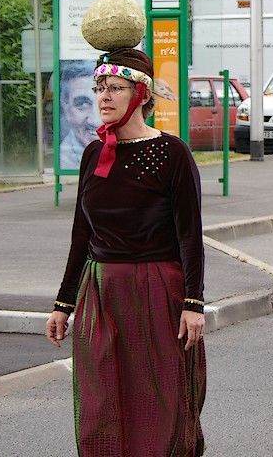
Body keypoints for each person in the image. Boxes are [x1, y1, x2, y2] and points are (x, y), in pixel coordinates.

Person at [46, 48, 206, 456]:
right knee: (100, 394)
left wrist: (193, 303)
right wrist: (63, 304)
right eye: (100, 88)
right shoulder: (92, 154)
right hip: (101, 290)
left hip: (156, 288)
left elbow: (190, 235)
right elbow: (81, 234)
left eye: (115, 88)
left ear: (140, 95)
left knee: (158, 393)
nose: (103, 97)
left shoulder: (172, 153)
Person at [59, 60, 102, 170]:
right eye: (82, 104)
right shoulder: (62, 160)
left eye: (105, 102)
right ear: (66, 107)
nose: (96, 121)